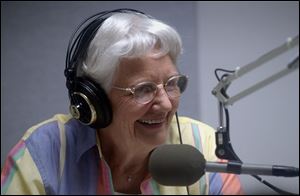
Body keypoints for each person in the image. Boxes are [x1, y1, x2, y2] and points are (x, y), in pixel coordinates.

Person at [1, 8, 244, 195]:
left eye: (171, 83)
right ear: (94, 99)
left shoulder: (203, 146)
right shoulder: (44, 154)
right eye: (143, 89)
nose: (167, 105)